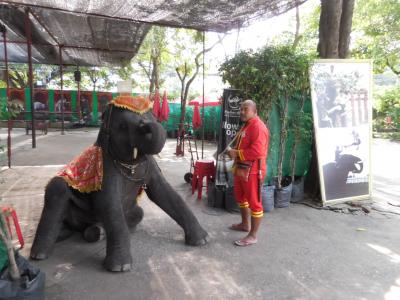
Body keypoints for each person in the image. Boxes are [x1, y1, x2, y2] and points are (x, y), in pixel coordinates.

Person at [227, 100, 270, 246]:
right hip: (241, 168)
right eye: (241, 109)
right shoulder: (247, 125)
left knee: (255, 204)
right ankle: (245, 224)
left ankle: (252, 235)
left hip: (253, 172)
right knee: (240, 197)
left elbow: (258, 152)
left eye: (246, 109)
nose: (242, 112)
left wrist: (236, 153)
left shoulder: (258, 127)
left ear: (254, 110)